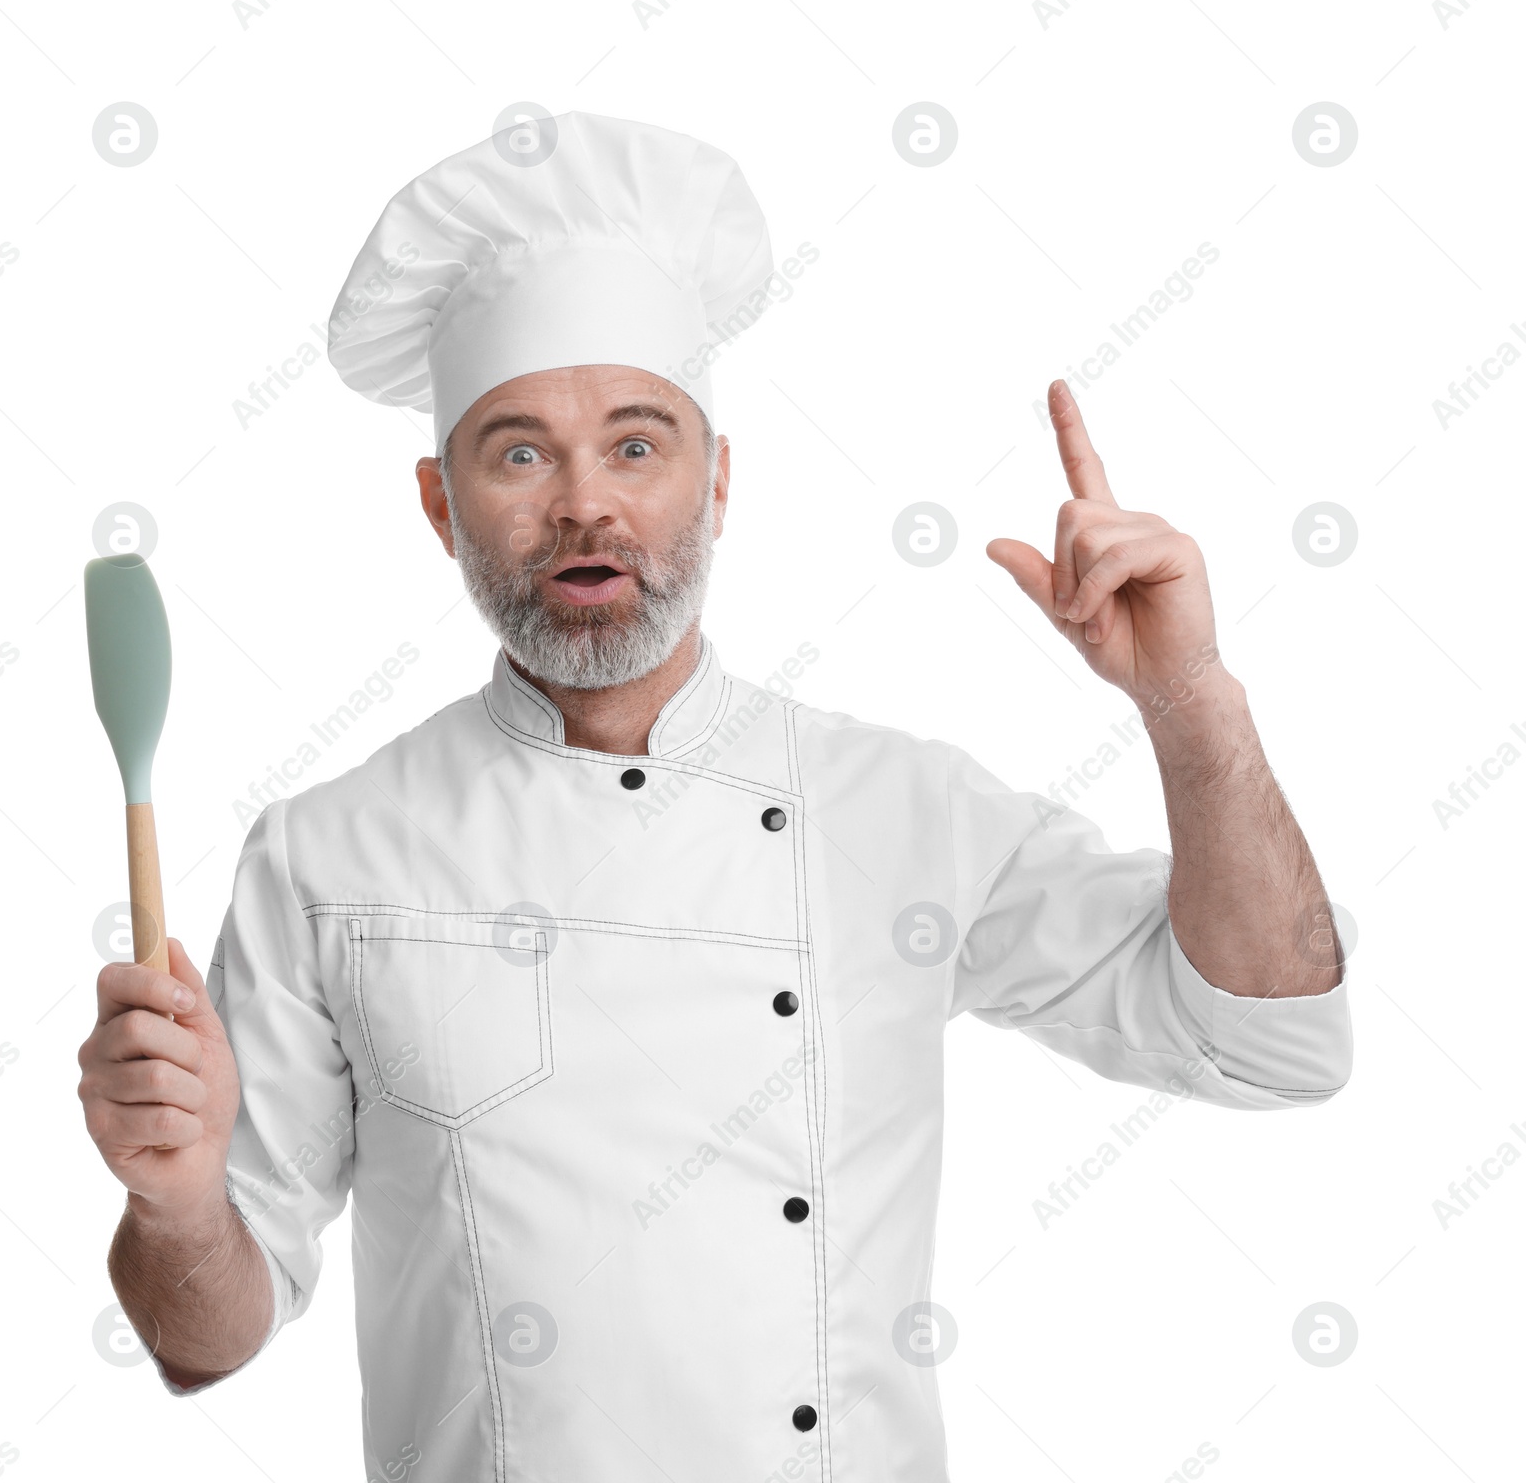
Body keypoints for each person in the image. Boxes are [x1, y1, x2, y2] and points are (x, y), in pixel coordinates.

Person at [77, 110, 1351, 1482]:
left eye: (638, 446)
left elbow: (1272, 1043)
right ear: (441, 507)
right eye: (518, 454)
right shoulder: (327, 855)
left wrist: (1192, 702)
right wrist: (176, 1196)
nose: (586, 507)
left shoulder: (898, 812)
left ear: (721, 481)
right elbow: (205, 1337)